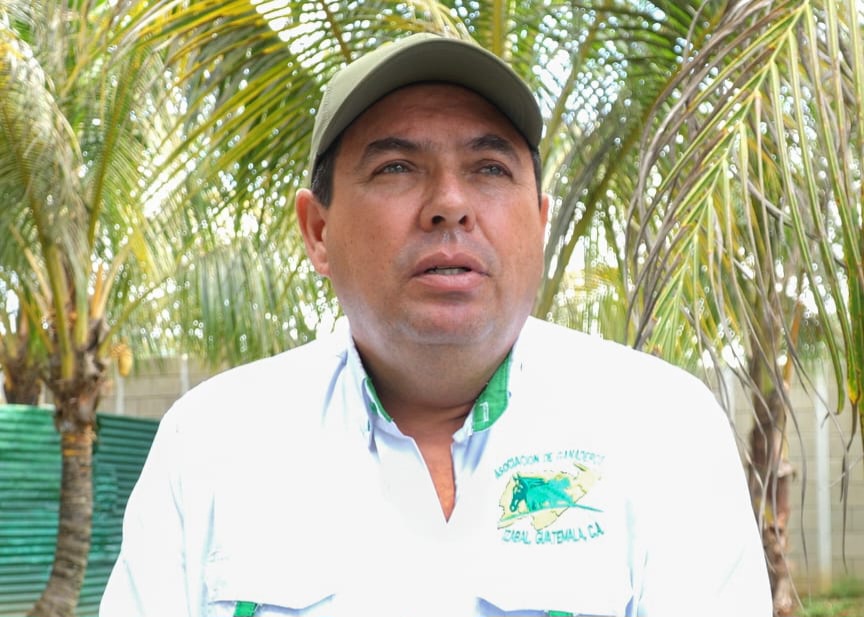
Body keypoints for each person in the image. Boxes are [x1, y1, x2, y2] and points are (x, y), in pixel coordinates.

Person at [100, 32, 771, 617]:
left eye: (489, 168)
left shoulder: (662, 430)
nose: (449, 203)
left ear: (539, 224)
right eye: (396, 167)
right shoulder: (212, 442)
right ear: (318, 230)